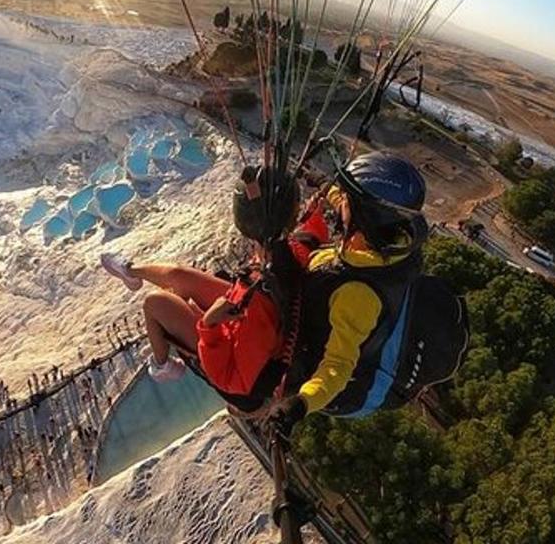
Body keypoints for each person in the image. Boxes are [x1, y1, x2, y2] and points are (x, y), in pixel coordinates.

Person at [101, 167, 326, 407]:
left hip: (237, 370)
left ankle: (162, 366)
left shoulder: (264, 288)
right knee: (180, 276)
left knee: (155, 303)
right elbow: (312, 227)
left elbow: (235, 378)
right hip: (252, 312)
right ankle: (131, 270)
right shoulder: (287, 251)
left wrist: (209, 324)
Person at [267, 150, 430, 435]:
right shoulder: (389, 237)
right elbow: (344, 200)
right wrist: (316, 181)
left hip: (335, 383)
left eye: (348, 202)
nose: (341, 203)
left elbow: (337, 367)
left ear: (365, 215)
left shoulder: (359, 295)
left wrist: (299, 405)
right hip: (330, 291)